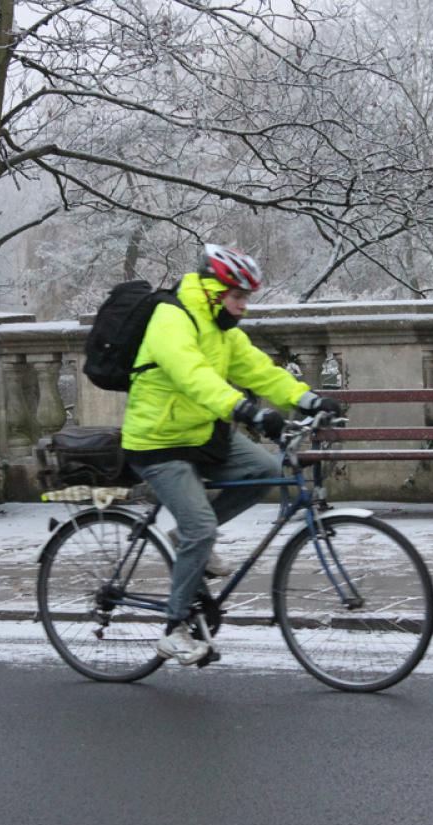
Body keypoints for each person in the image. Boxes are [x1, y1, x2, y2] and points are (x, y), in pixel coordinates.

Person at [121, 244, 342, 665]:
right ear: (210, 290)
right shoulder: (172, 318)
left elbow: (261, 370)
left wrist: (308, 399)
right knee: (202, 527)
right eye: (237, 297)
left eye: (246, 299)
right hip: (157, 441)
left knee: (265, 469)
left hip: (203, 434)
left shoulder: (223, 331)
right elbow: (193, 376)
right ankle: (175, 629)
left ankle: (186, 537)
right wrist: (244, 410)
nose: (242, 307)